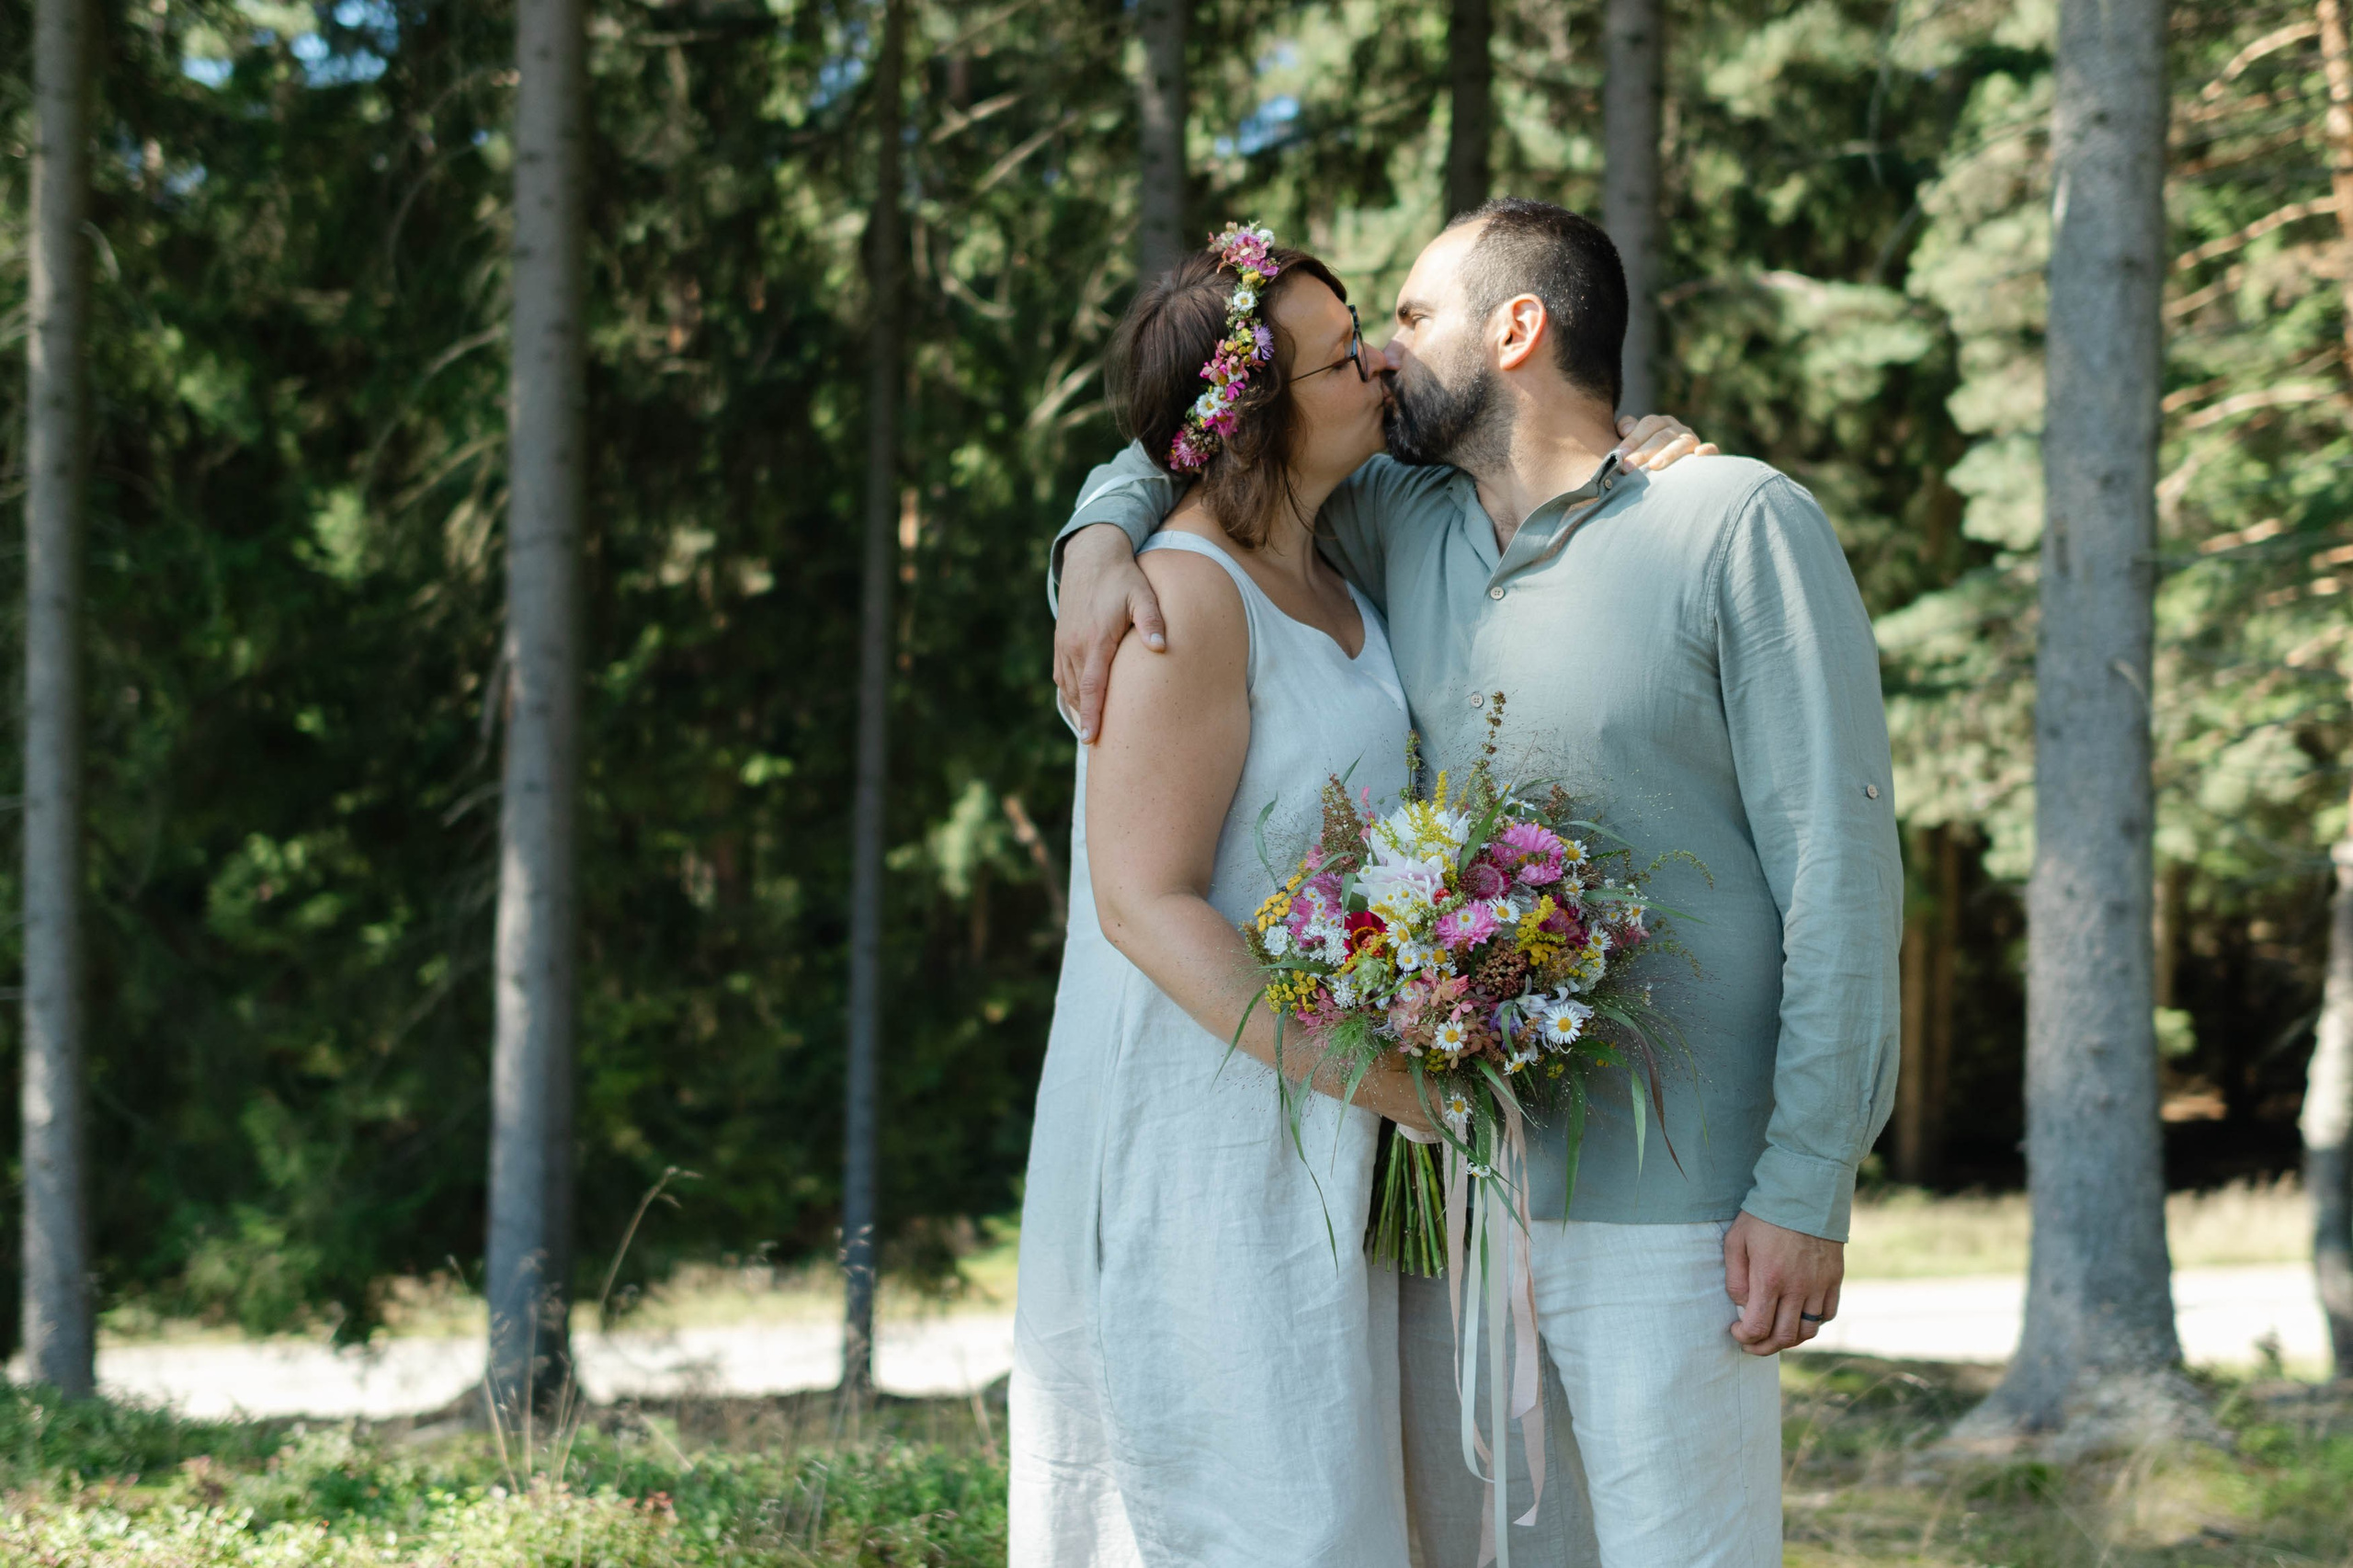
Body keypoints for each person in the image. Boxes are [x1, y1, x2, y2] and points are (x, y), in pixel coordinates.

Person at [1051, 199, 1904, 1567]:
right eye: (1364, 341)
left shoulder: (1731, 520)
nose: (1382, 357)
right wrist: (1097, 537)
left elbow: (1843, 874)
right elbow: (1208, 441)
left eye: (1407, 318)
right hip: (1451, 1209)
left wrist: (1808, 1181)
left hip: (1681, 1206)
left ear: (1517, 330)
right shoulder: (1402, 523)